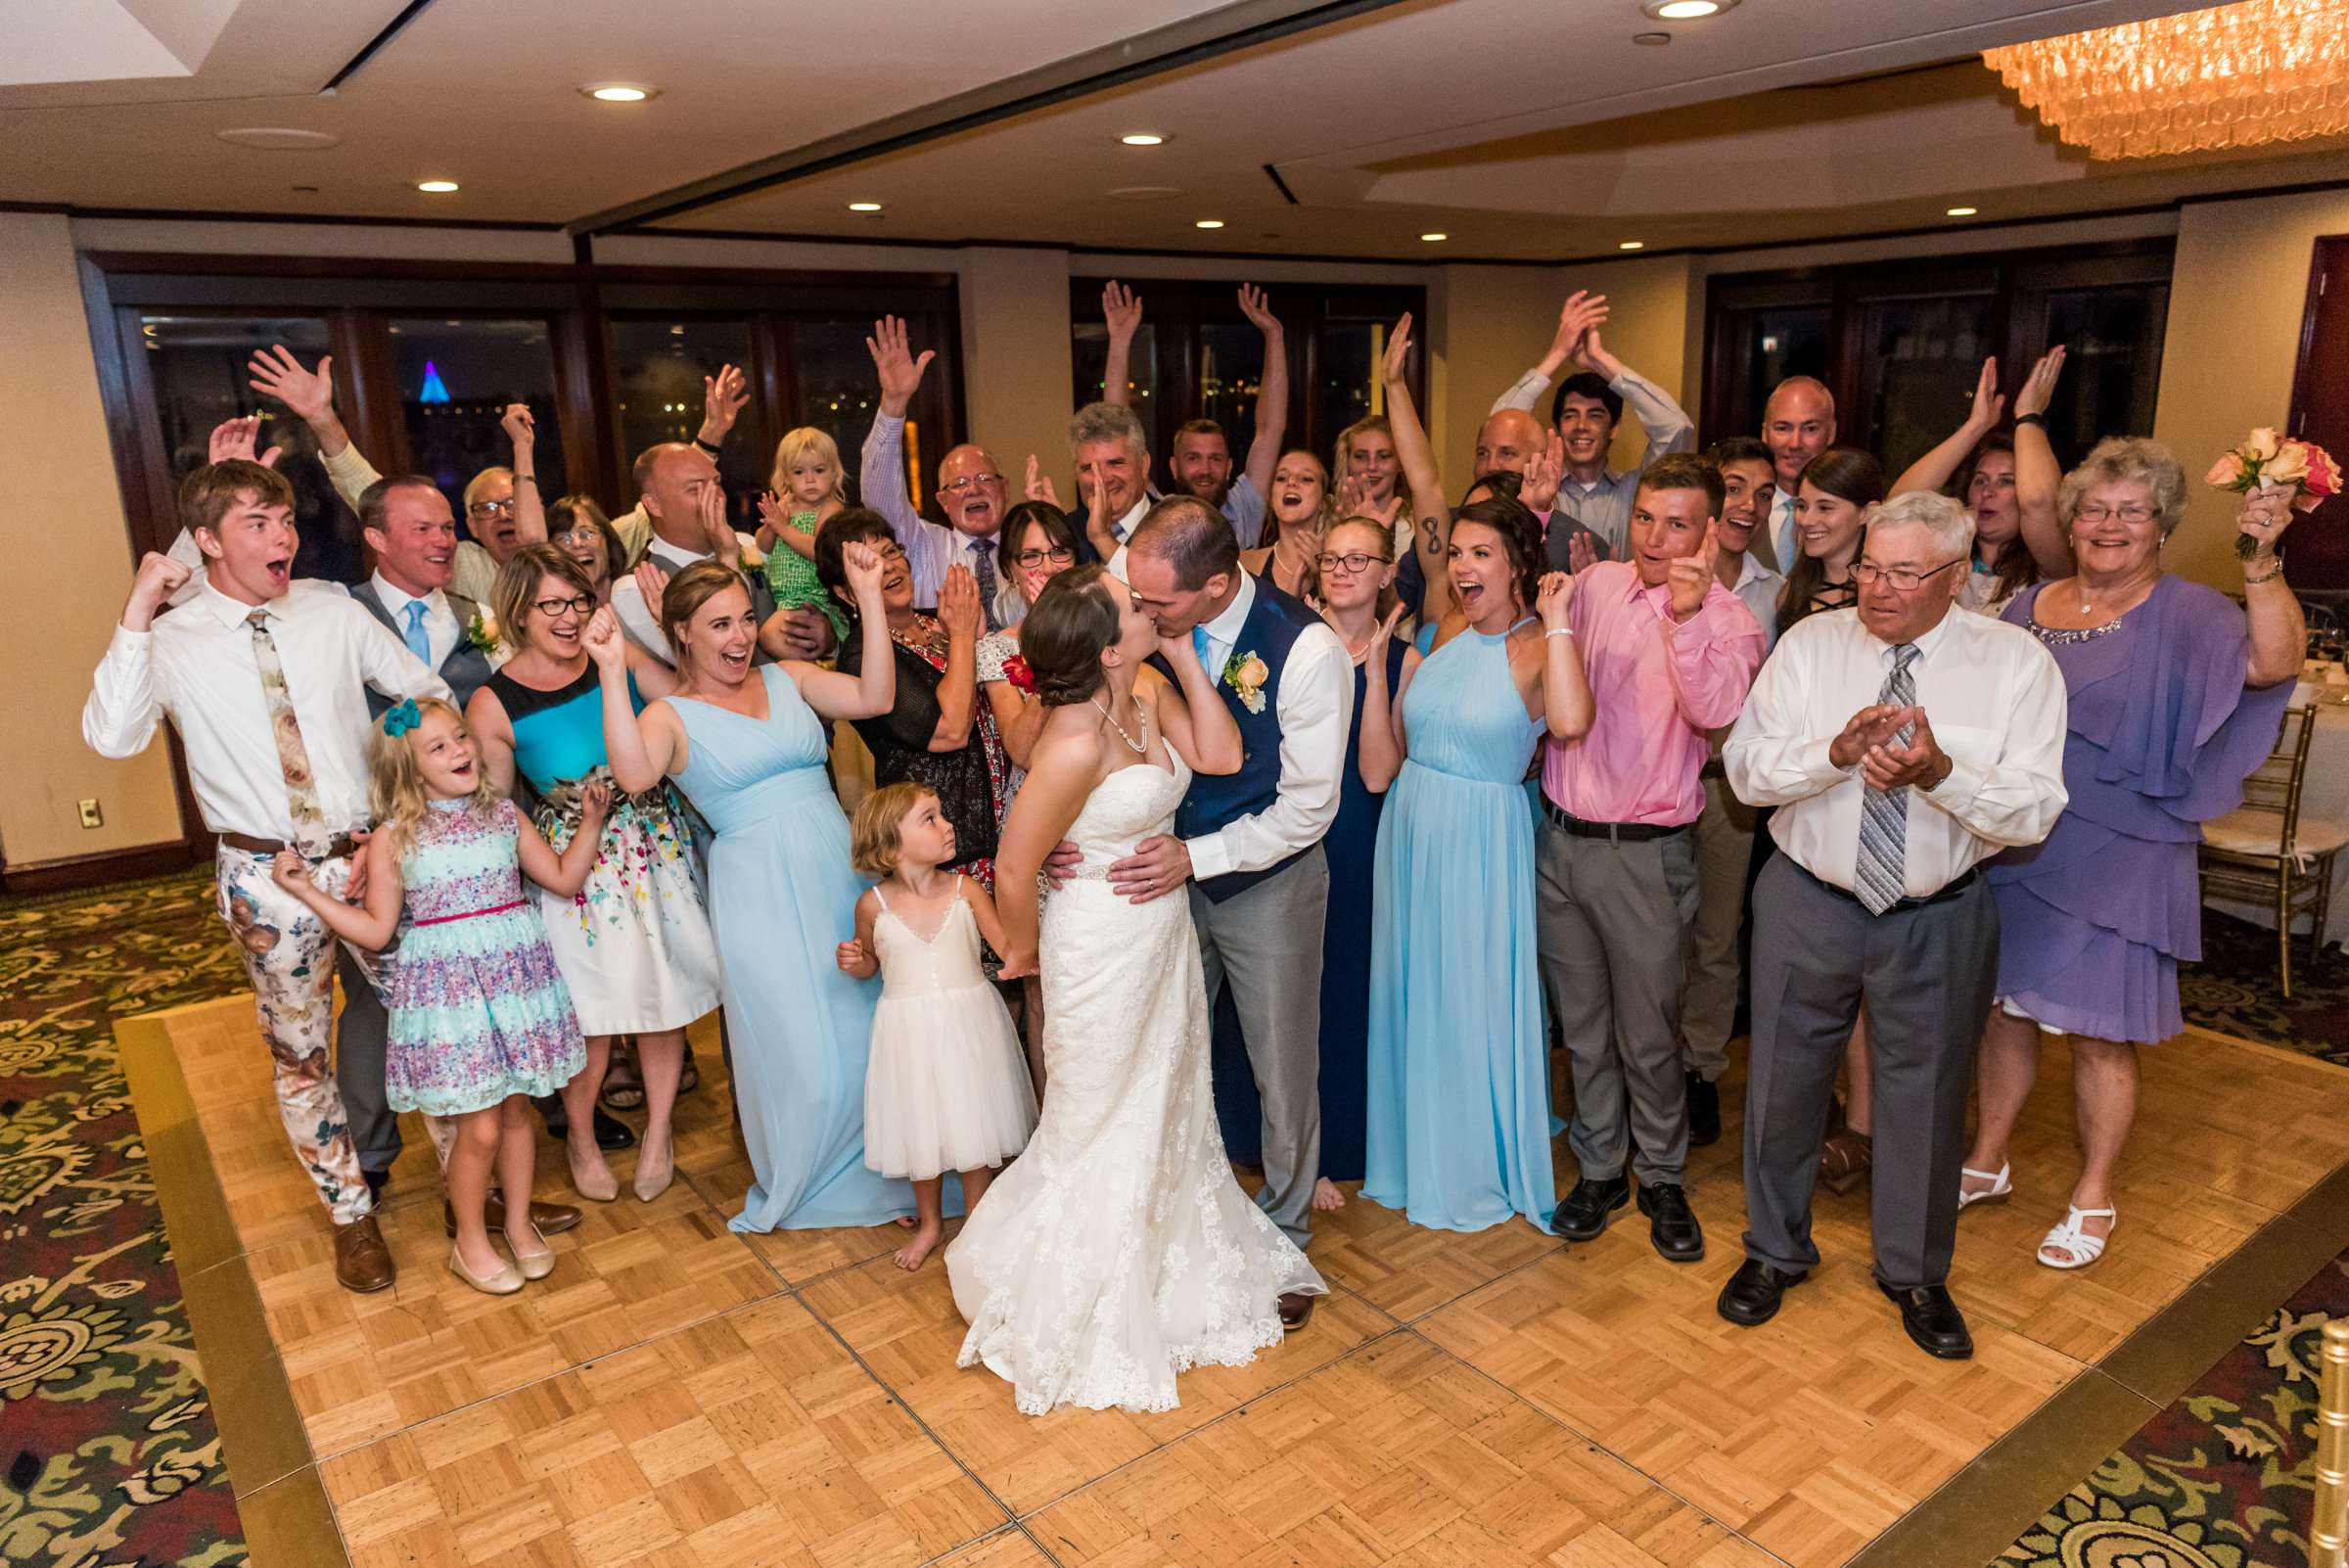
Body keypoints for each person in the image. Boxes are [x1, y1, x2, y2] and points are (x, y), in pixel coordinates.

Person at [948, 565, 1324, 1413]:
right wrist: (1024, 951)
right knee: (1096, 1114)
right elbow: (1013, 862)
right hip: (1095, 945)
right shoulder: (1076, 739)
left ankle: (1167, 1254)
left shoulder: (1145, 684)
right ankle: (1084, 1282)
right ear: (1108, 645)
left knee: (1166, 1101)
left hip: (1161, 938)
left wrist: (1185, 655)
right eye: (1134, 607)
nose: (1148, 604)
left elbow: (1221, 753)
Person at [83, 460, 449, 1292]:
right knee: (300, 1053)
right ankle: (351, 1218)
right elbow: (111, 737)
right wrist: (140, 606)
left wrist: (385, 800)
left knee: (433, 1017)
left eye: (284, 519)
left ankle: (477, 1189)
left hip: (368, 856)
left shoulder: (329, 613)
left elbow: (422, 696)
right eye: (257, 522)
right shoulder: (168, 639)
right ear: (209, 540)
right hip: (265, 876)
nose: (281, 536)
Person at [1719, 490, 2068, 1360]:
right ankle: (1775, 1250)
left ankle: (1914, 1272)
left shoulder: (2014, 664)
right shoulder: (1809, 646)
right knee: (1784, 1084)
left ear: (1955, 576)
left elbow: (2033, 814)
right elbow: (1746, 772)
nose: (1877, 587)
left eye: (1904, 573)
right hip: (1808, 898)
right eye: (1871, 565)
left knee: (1928, 1095)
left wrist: (1940, 772)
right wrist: (1831, 756)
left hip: (1938, 914)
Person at [1963, 443, 2303, 1269]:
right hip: (2023, 843)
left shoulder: (2189, 612)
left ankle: (2094, 1192)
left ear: (2161, 527)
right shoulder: (2028, 605)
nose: (2109, 525)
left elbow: (2274, 663)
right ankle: (1988, 1157)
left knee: (2099, 1032)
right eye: (2094, 509)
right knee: (2004, 1010)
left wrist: (2260, 566)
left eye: (2131, 511)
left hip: (2129, 847)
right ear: (2070, 522)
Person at [590, 555, 915, 1232]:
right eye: (718, 625)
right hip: (755, 886)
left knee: (866, 1023)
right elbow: (631, 770)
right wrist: (612, 670)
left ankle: (893, 1168)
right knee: (794, 1036)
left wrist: (868, 601)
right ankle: (813, 1174)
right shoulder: (670, 716)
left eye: (744, 619)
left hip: (836, 863)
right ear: (681, 632)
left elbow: (875, 698)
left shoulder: (788, 678)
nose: (739, 637)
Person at [268, 697, 603, 1294]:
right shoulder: (396, 838)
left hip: (514, 982)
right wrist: (308, 893)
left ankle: (520, 1226)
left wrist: (593, 823)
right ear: (411, 767)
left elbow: (562, 878)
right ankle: (469, 1242)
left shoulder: (505, 818)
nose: (459, 751)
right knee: (479, 1130)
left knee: (517, 1112)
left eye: (461, 738)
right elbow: (375, 929)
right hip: (452, 998)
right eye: (439, 747)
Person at [1108, 497, 1353, 1276]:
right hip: (1159, 880)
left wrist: (1199, 857)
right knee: (1164, 1046)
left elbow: (1310, 807)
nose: (1140, 610)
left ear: (1217, 584)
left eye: (1157, 602)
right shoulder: (1151, 608)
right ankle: (1178, 1209)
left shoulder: (1306, 649)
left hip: (1268, 883)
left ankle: (1287, 1235)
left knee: (1281, 1062)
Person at [1539, 457, 1767, 1261]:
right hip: (1562, 839)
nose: (1656, 538)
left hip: (1646, 853)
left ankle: (1663, 1175)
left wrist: (1685, 612)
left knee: (1648, 1031)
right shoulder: (1596, 585)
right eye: (1645, 519)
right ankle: (1601, 1166)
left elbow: (1716, 712)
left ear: (1708, 531)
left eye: (1677, 524)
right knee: (1585, 1027)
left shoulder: (1732, 621)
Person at [1363, 495, 1593, 1231]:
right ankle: (1413, 1146)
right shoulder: (1447, 629)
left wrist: (1559, 620)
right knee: (1415, 990)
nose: (1462, 567)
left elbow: (1569, 723)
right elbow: (1405, 734)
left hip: (1480, 842)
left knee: (1467, 995)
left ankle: (1468, 1163)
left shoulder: (1538, 648)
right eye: (1457, 553)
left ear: (1520, 563)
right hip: (1411, 826)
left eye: (1481, 553)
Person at [467, 545, 721, 1204]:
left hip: (653, 849)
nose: (570, 615)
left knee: (664, 1005)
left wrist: (665, 635)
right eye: (553, 603)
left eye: (579, 600)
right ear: (519, 611)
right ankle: (580, 1134)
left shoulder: (618, 656)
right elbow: (497, 813)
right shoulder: (495, 703)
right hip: (577, 869)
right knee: (591, 1015)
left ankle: (659, 1132)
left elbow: (695, 702)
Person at [838, 784, 1038, 1271]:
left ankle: (978, 1220)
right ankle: (930, 1224)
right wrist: (854, 960)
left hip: (969, 1025)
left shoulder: (966, 890)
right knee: (919, 1128)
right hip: (907, 1033)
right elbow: (871, 966)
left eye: (942, 815)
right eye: (930, 818)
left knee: (975, 1125)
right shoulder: (873, 906)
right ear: (890, 843)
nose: (948, 824)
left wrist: (1026, 958)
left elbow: (1007, 946)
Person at [1676, 438, 1784, 1143]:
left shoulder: (1776, 593)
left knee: (1716, 936)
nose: (1748, 504)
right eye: (1735, 488)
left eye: (1764, 492)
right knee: (1654, 936)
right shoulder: (1661, 578)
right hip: (1651, 783)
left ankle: (1699, 1070)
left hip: (1726, 791)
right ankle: (1646, 1067)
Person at [1308, 516, 1410, 1210]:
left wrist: (1373, 672)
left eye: (1358, 558)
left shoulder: (1409, 661)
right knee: (1295, 996)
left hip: (1363, 836)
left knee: (1348, 988)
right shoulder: (1285, 648)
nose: (1343, 569)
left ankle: (1347, 1144)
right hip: (1291, 839)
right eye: (1332, 558)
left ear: (1385, 572)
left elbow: (1377, 774)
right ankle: (1300, 1152)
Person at [818, 513, 1008, 886]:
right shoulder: (863, 659)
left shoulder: (939, 620)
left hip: (1005, 826)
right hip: (944, 853)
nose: (889, 567)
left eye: (891, 551)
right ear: (845, 591)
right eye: (871, 563)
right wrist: (965, 637)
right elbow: (950, 730)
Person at [1490, 289, 1697, 556]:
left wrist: (1601, 360)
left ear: (1615, 427)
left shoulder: (1638, 490)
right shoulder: (1534, 487)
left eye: (1595, 416)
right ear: (1556, 427)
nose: (1581, 425)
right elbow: (1498, 425)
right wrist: (1557, 354)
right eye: (1570, 415)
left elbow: (1676, 428)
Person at [1100, 281, 1290, 549]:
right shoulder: (1153, 513)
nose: (1205, 469)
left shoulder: (1243, 508)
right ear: (1173, 467)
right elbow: (1117, 431)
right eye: (1193, 458)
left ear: (1228, 468)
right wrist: (1119, 341)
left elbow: (1270, 429)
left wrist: (1274, 334)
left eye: (1215, 459)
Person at [859, 315, 1021, 628]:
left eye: (985, 479)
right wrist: (894, 404)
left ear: (1005, 488)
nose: (974, 489)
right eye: (959, 484)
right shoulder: (921, 544)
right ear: (943, 501)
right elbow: (880, 498)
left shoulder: (1028, 548)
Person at [1889, 351, 2072, 618]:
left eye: (2006, 482)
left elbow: (2039, 500)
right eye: (1981, 480)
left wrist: (2029, 416)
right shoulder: (1945, 556)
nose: (1988, 491)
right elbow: (1901, 504)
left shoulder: (2052, 564)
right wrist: (1975, 427)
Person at [608, 441, 777, 664]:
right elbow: (704, 666)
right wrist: (727, 559)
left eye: (716, 483)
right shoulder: (634, 589)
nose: (716, 497)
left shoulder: (749, 544)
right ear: (654, 505)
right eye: (696, 489)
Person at [756, 426, 851, 642]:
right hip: (783, 598)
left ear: (834, 473)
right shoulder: (786, 503)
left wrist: (784, 528)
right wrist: (772, 525)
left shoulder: (830, 508)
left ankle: (808, 673)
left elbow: (820, 551)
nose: (810, 479)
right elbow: (762, 546)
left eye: (819, 470)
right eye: (799, 472)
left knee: (770, 636)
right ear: (786, 477)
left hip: (814, 599)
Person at [1777, 447, 1885, 637]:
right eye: (1802, 506)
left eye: (1825, 508)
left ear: (1868, 512)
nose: (1807, 520)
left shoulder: (1886, 594)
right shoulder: (1791, 592)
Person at [1758, 377, 1838, 571]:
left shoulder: (1848, 515)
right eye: (1783, 428)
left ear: (1831, 432)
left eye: (1810, 429)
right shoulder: (1739, 507)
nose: (1795, 444)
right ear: (1765, 434)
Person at [1070, 401, 1163, 560]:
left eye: (1115, 463)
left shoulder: (1179, 529)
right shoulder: (1066, 534)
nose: (1103, 479)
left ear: (1144, 465)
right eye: (1088, 468)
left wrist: (1102, 538)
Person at [1238, 450, 1335, 601]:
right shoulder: (1245, 564)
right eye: (1281, 478)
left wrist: (1322, 576)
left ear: (1323, 501)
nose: (1291, 482)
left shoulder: (1341, 566)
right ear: (1270, 497)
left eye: (1306, 478)